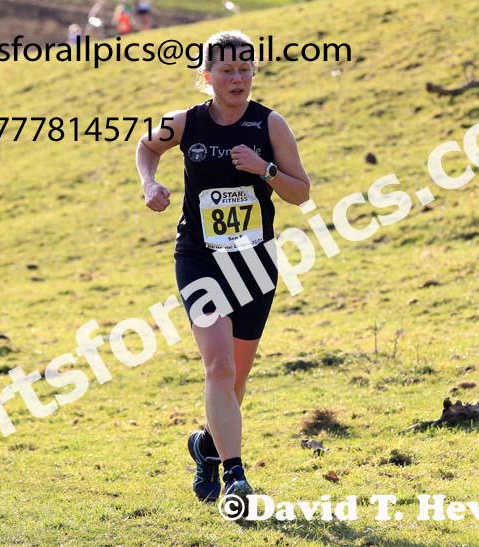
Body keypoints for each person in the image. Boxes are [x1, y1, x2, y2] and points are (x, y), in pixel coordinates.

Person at [135, 30, 311, 505]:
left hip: (254, 262)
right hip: (199, 257)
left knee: (235, 380)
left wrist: (264, 170)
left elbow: (301, 192)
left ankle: (206, 447)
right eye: (227, 70)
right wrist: (150, 185)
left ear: (254, 72)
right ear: (207, 76)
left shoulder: (269, 125)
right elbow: (146, 147)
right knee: (219, 364)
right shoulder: (187, 123)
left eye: (245, 69)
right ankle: (235, 473)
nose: (238, 78)